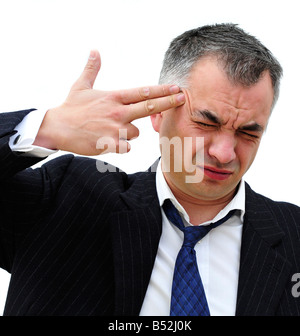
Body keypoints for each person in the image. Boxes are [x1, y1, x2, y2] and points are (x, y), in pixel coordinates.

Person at [0, 23, 299, 316]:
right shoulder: (68, 197)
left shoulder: (294, 235)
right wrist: (46, 128)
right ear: (158, 113)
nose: (224, 153)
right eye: (207, 123)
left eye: (248, 133)